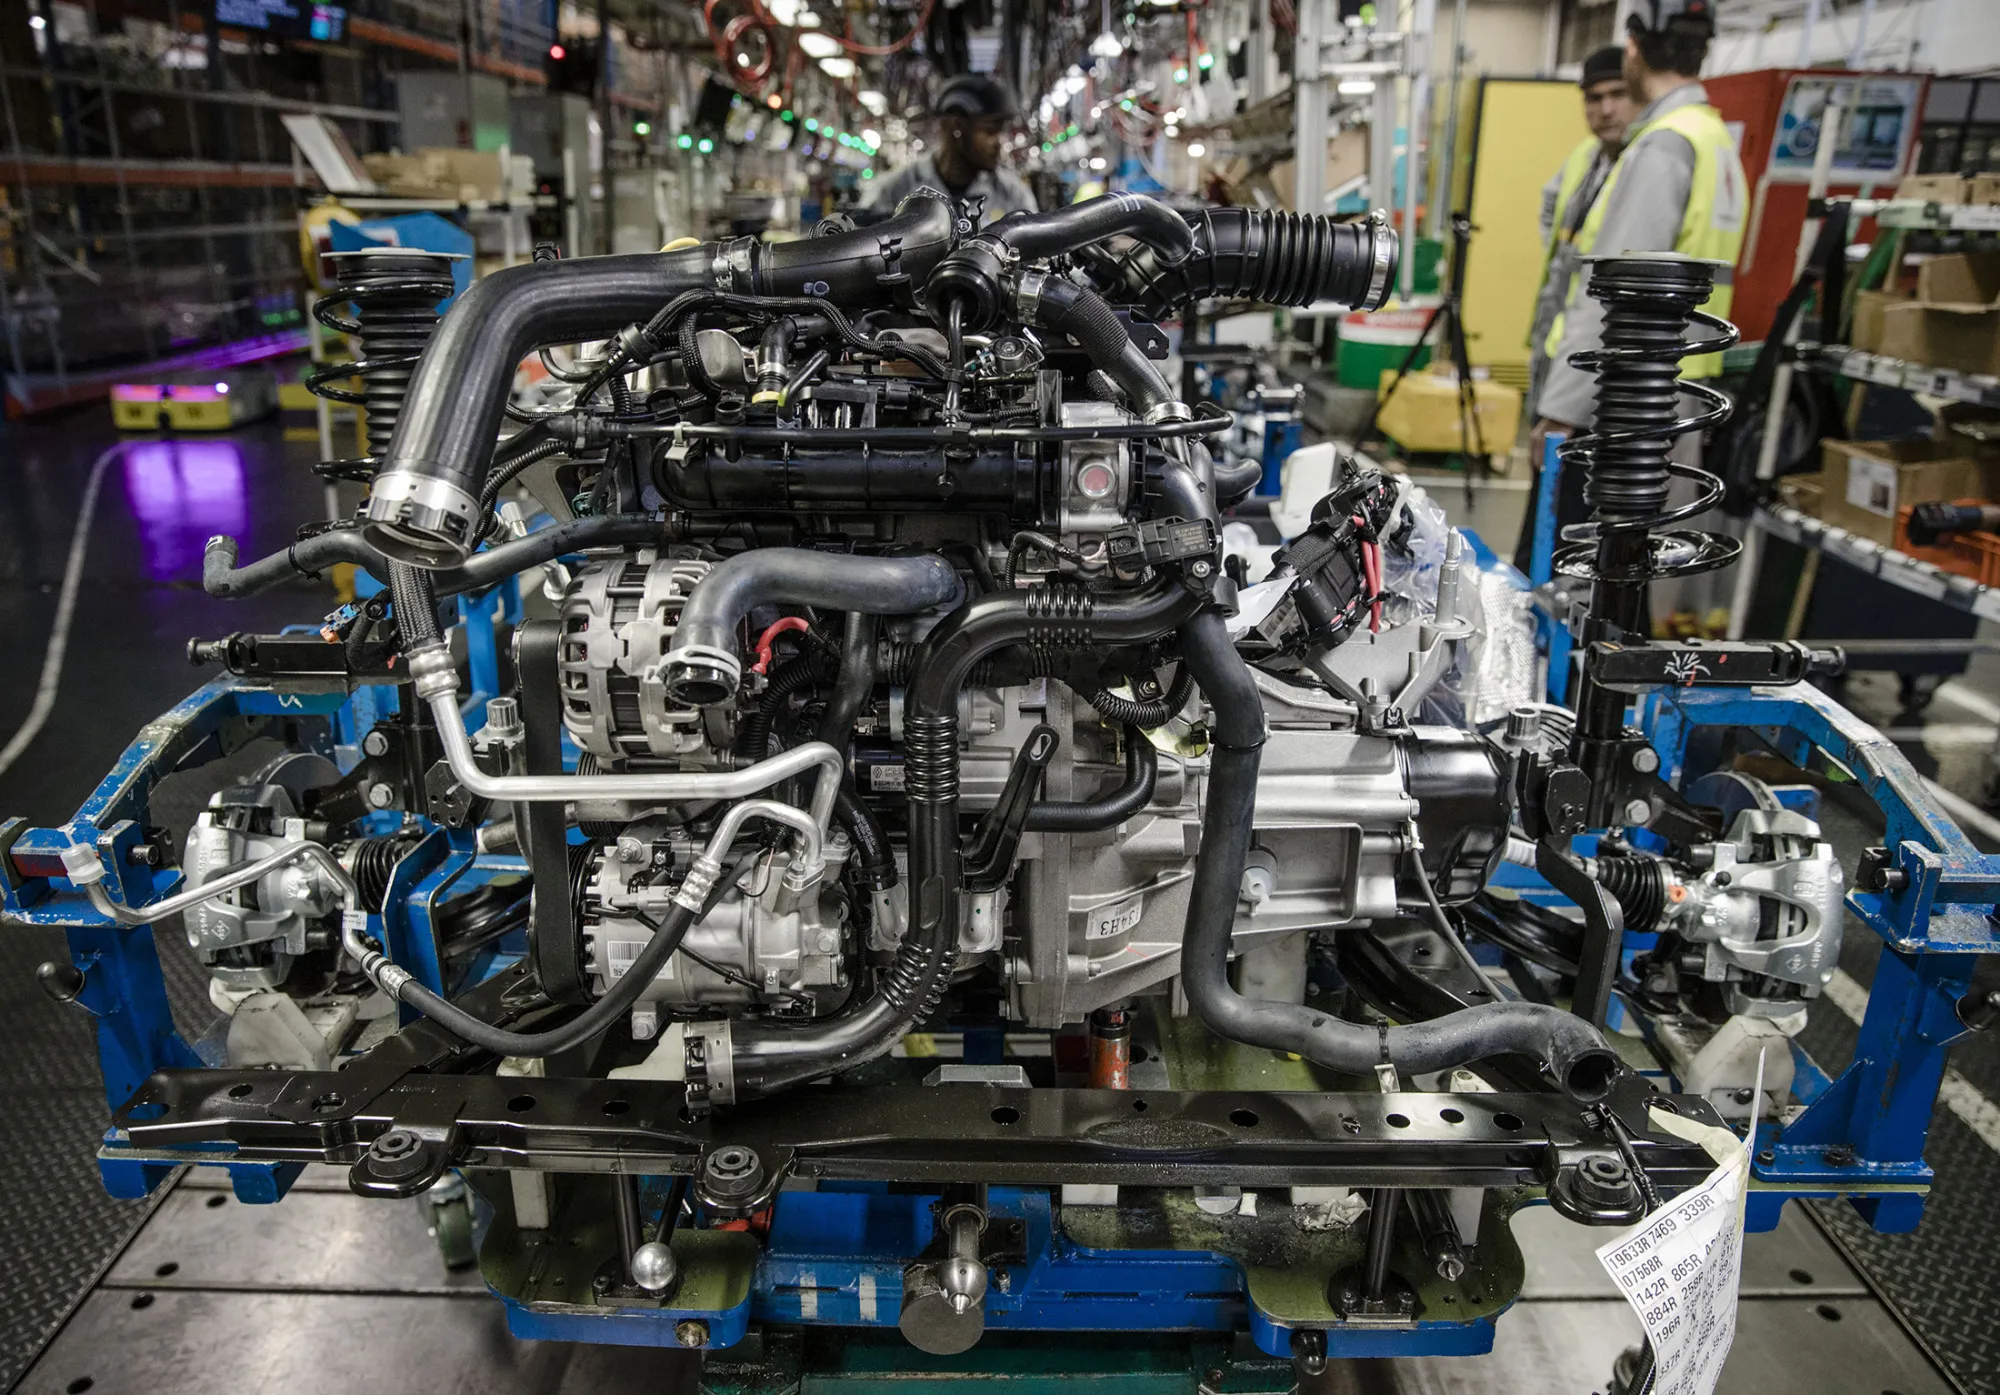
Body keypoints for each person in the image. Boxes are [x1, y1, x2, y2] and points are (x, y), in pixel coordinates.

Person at [1515, 0, 1746, 577]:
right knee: (1627, 562)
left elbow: (1616, 298)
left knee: (1570, 568)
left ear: (1635, 50)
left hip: (1624, 398)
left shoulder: (1663, 145)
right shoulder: (1712, 136)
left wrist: (1561, 412)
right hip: (1670, 386)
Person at [1524, 46, 1638, 421]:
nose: (1606, 109)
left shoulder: (1645, 161)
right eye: (1594, 98)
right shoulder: (1587, 155)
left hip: (1607, 343)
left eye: (1618, 95)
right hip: (1559, 324)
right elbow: (1550, 203)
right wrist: (1561, 254)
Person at [864, 73, 1038, 223]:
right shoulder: (897, 190)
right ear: (957, 126)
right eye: (990, 131)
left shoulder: (1013, 195)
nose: (999, 142)